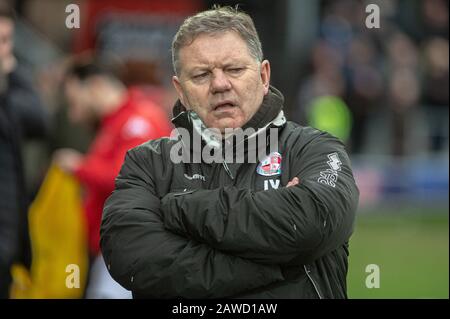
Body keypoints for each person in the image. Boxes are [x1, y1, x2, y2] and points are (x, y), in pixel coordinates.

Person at [101, 6, 359, 299]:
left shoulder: (315, 149)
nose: (220, 84)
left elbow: (314, 221)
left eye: (234, 69)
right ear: (181, 91)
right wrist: (274, 260)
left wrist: (179, 208)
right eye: (201, 75)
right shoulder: (147, 163)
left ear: (263, 76)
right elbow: (131, 257)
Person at [54, 58, 172, 298]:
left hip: (131, 247)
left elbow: (127, 175)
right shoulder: (116, 123)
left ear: (96, 85)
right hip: (114, 246)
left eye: (75, 101)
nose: (74, 114)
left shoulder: (138, 120)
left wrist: (78, 167)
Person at [0, 4, 48, 298]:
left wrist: (13, 73)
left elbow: (38, 120)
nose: (6, 51)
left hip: (6, 245)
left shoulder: (9, 92)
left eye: (8, 41)